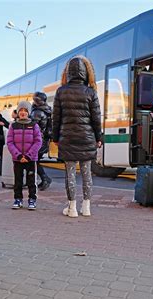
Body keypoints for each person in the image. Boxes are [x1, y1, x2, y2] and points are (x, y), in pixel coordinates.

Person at [52, 55, 102, 218]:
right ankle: (86, 207)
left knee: (70, 173)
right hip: (87, 138)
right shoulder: (90, 92)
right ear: (85, 73)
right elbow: (96, 117)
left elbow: (56, 118)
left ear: (68, 73)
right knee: (87, 173)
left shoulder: (61, 91)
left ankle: (72, 208)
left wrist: (55, 137)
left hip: (67, 138)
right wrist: (98, 137)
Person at [7, 101, 42, 210]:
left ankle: (32, 199)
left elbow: (38, 142)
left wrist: (28, 155)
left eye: (25, 111)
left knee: (31, 180)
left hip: (30, 159)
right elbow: (10, 142)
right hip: (17, 159)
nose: (23, 113)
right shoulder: (13, 126)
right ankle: (18, 199)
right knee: (18, 180)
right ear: (18, 112)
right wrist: (18, 155)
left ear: (29, 112)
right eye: (21, 110)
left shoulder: (34, 125)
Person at [30, 91, 53, 190]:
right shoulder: (47, 110)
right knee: (35, 160)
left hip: (37, 140)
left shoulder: (37, 112)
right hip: (44, 140)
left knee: (33, 161)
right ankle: (42, 179)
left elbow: (31, 126)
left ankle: (45, 179)